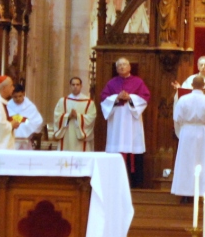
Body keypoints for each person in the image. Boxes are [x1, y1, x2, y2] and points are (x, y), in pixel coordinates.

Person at [100, 57, 151, 187]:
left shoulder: (138, 82)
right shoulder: (111, 83)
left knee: (133, 146)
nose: (122, 67)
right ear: (116, 69)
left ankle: (135, 183)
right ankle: (114, 182)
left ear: (129, 67)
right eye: (119, 65)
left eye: (124, 65)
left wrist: (130, 98)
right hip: (117, 119)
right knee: (117, 144)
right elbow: (104, 99)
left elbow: (145, 97)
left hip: (131, 118)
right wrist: (116, 98)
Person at [171, 75, 205, 197]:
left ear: (192, 86)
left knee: (185, 161)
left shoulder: (183, 99)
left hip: (186, 132)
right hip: (202, 133)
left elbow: (177, 117)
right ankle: (199, 192)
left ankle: (184, 193)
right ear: (204, 86)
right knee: (201, 161)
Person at [53, 77, 96, 152]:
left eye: (77, 84)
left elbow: (91, 117)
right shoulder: (63, 101)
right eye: (73, 85)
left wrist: (78, 116)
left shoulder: (89, 102)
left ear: (81, 86)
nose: (75, 87)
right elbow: (57, 116)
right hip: (66, 134)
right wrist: (67, 116)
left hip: (81, 136)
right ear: (70, 86)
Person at [7, 83, 44, 150]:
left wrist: (25, 123)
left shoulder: (29, 106)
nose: (18, 98)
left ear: (24, 93)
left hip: (26, 141)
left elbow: (37, 121)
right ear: (11, 95)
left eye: (20, 96)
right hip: (11, 141)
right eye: (15, 97)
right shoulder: (8, 105)